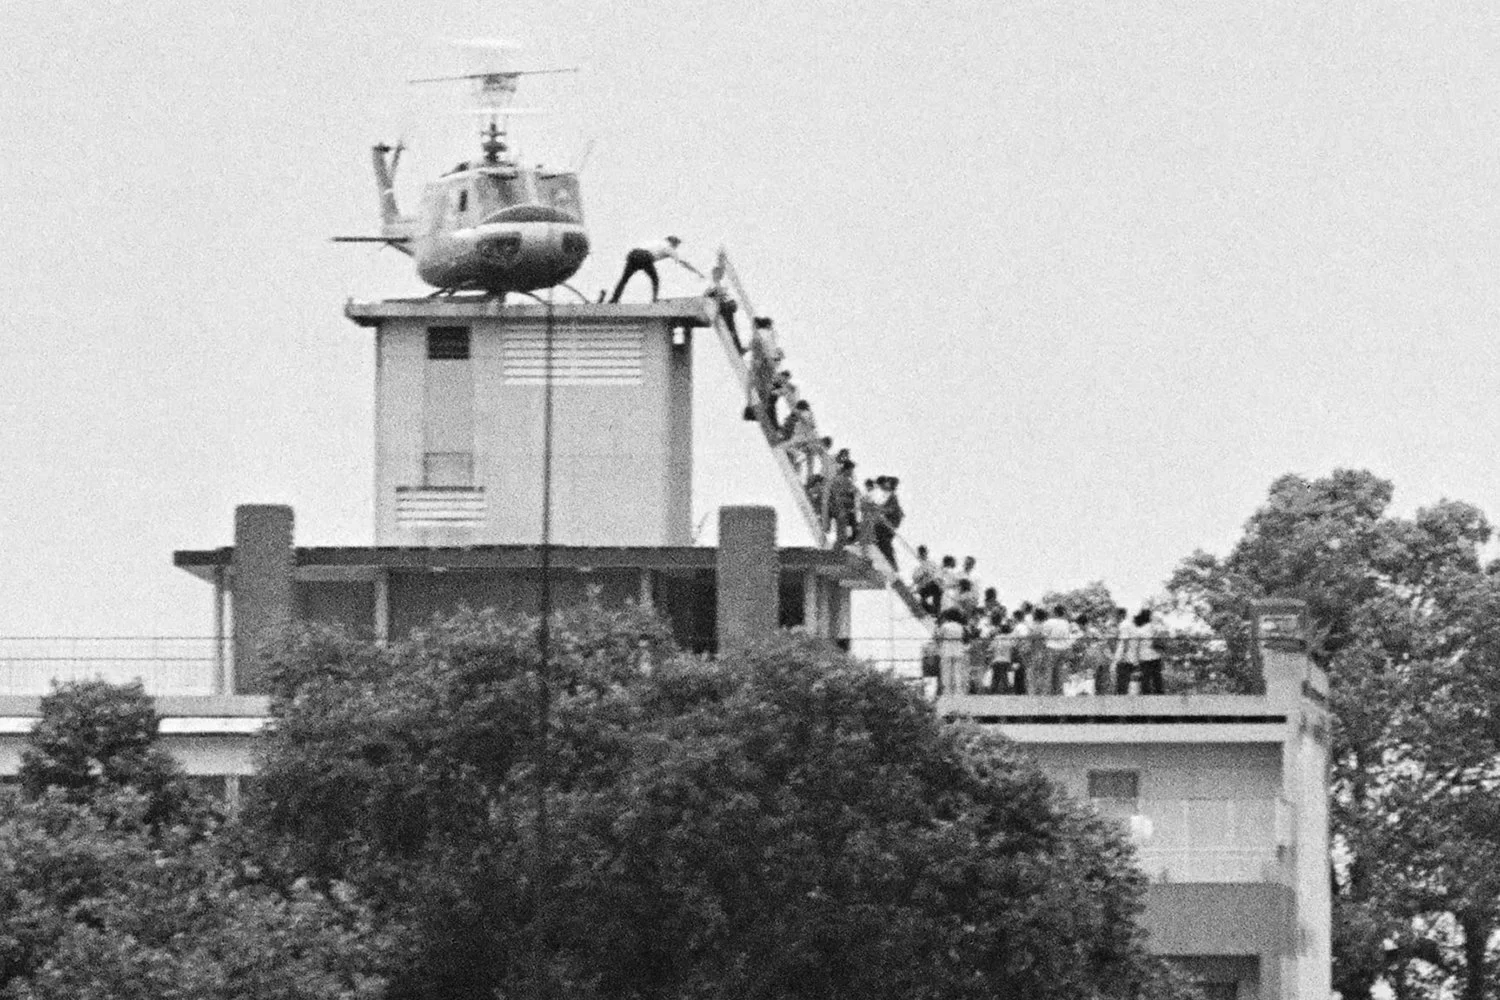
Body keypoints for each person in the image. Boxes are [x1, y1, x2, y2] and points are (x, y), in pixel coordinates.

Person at [610, 235, 704, 303]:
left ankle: (614, 299)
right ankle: (654, 300)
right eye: (677, 245)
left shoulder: (656, 242)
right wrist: (697, 272)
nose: (676, 247)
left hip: (633, 254)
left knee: (624, 279)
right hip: (645, 257)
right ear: (673, 243)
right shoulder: (669, 248)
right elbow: (682, 262)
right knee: (655, 279)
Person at [935, 608, 969, 697]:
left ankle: (947, 691)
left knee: (946, 671)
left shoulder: (945, 626)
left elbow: (938, 636)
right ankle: (958, 691)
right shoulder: (960, 626)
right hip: (958, 648)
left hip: (947, 648)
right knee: (957, 671)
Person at [1134, 608, 1166, 694]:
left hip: (1144, 657)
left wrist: (1136, 659)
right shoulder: (1156, 628)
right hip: (1156, 656)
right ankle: (1160, 698)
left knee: (1145, 679)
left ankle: (1146, 699)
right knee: (1157, 678)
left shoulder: (1139, 631)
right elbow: (1162, 641)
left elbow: (1136, 646)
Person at [876, 476, 904, 571]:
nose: (882, 487)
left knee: (884, 543)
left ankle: (892, 565)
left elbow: (890, 509)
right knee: (881, 543)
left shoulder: (892, 497)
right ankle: (888, 564)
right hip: (886, 524)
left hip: (889, 524)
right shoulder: (886, 496)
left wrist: (880, 510)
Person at [912, 545, 942, 617]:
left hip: (931, 585)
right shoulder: (918, 566)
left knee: (937, 589)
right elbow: (915, 579)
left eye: (924, 553)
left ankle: (935, 611)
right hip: (923, 587)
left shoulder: (931, 564)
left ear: (926, 553)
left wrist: (931, 575)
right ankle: (929, 609)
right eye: (921, 553)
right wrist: (922, 575)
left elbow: (937, 574)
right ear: (919, 554)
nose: (922, 554)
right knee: (921, 598)